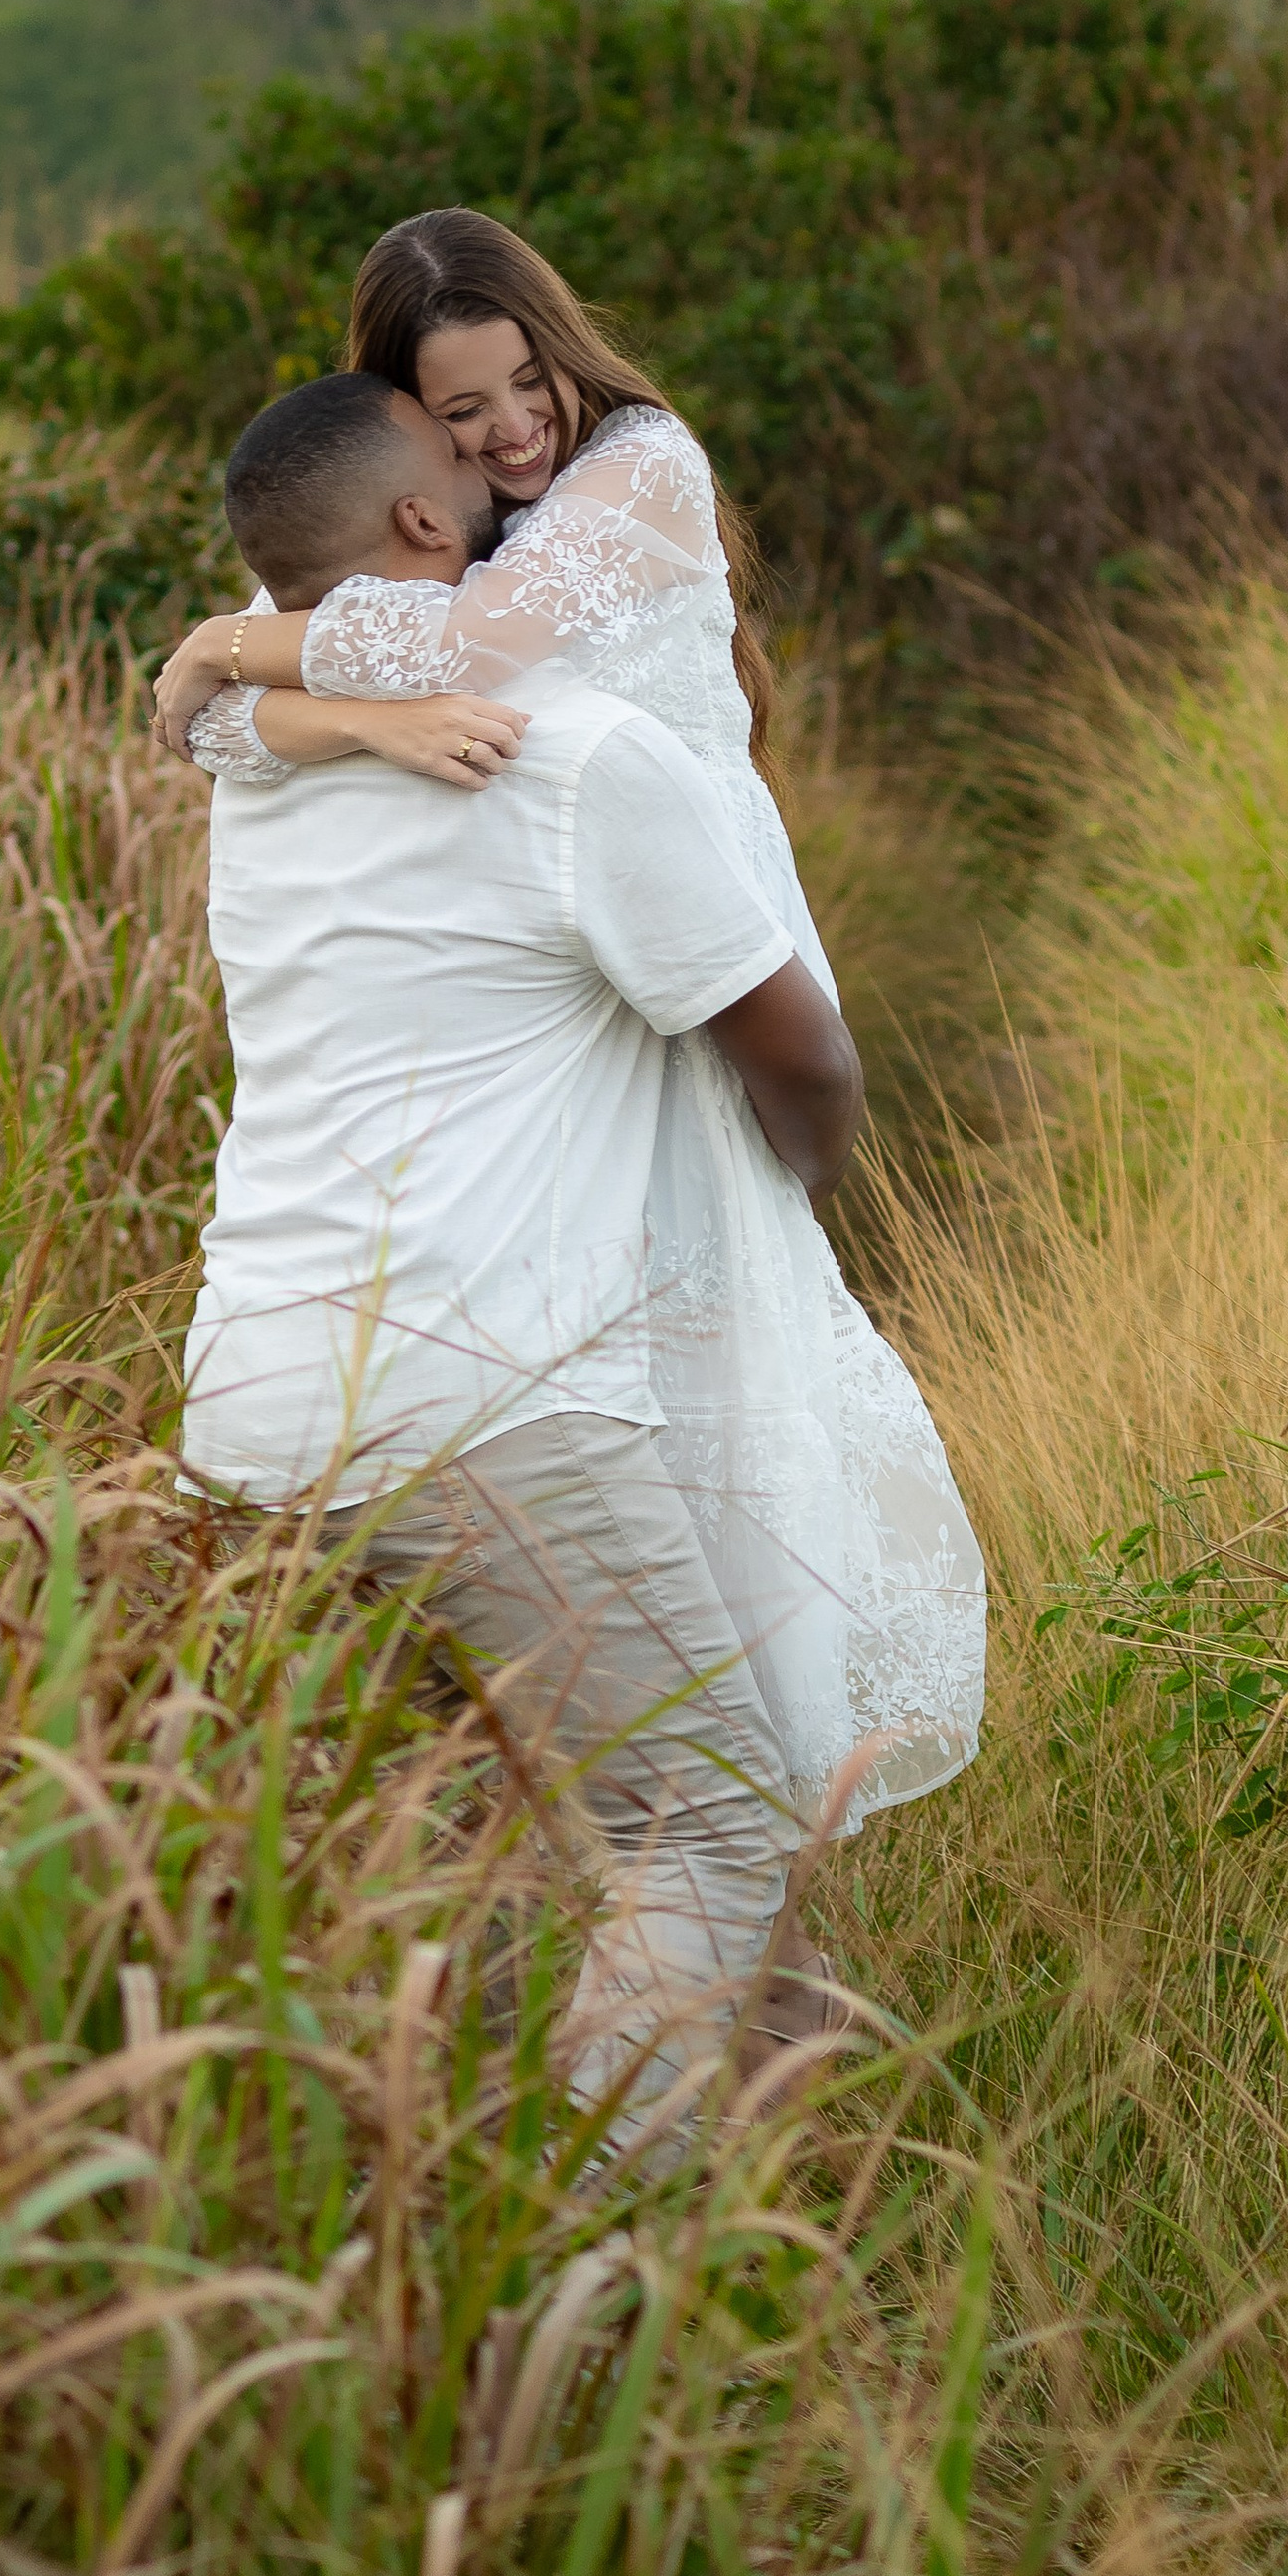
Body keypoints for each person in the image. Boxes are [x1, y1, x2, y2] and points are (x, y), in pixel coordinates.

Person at [160, 209, 984, 1831]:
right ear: (411, 438)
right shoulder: (411, 542)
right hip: (571, 945)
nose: (511, 432)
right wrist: (351, 722)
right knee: (627, 1357)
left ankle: (744, 1803)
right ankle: (680, 1822)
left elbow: (456, 648)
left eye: (525, 383)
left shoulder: (640, 467)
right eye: (461, 413)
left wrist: (231, 639)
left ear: (562, 351)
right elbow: (212, 737)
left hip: (687, 918)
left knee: (734, 1354)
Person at [179, 368, 865, 2140]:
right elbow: (799, 1050)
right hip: (486, 1398)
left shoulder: (263, 767)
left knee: (464, 1842)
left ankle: (433, 2209)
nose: (507, 471)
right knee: (705, 1830)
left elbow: (216, 708)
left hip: (255, 1401)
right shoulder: (574, 755)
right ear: (427, 521)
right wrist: (802, 1189)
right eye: (457, 449)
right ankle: (597, 2269)